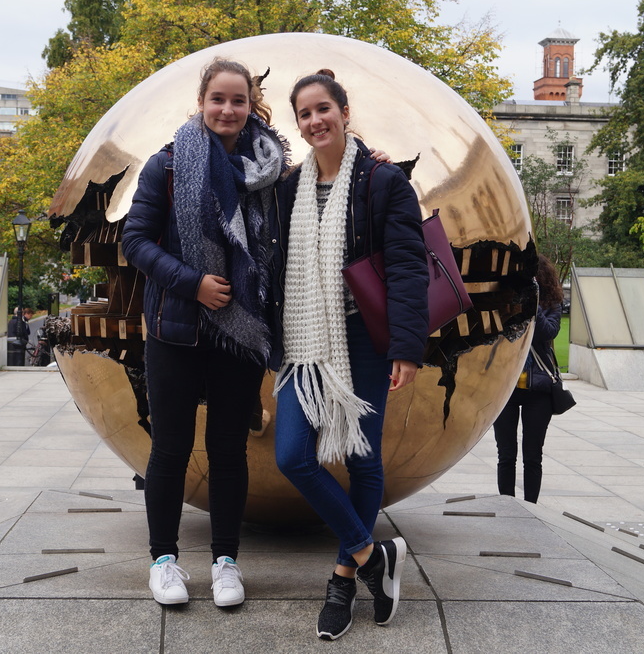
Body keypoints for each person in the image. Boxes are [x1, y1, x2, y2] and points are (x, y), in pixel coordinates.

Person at [120, 58, 289, 608]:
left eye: (238, 100)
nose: (227, 109)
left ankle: (225, 562)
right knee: (170, 449)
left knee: (228, 451)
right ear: (201, 101)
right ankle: (164, 561)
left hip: (238, 333)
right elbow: (136, 243)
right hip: (177, 328)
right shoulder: (167, 166)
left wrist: (373, 157)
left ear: (250, 106)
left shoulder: (270, 170)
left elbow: (317, 197)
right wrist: (192, 284)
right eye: (218, 98)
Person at [269, 69, 428, 640]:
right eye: (304, 114)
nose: (315, 121)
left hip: (363, 340)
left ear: (343, 110)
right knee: (293, 457)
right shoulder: (287, 187)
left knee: (363, 461)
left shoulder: (382, 181)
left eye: (323, 109)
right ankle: (372, 555)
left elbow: (409, 267)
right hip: (303, 345)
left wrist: (407, 347)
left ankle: (342, 577)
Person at [493, 254, 563, 504]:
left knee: (533, 455)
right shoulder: (507, 299)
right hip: (507, 387)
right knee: (506, 454)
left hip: (539, 389)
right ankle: (507, 505)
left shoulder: (552, 303)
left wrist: (532, 302)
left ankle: (531, 508)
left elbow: (547, 332)